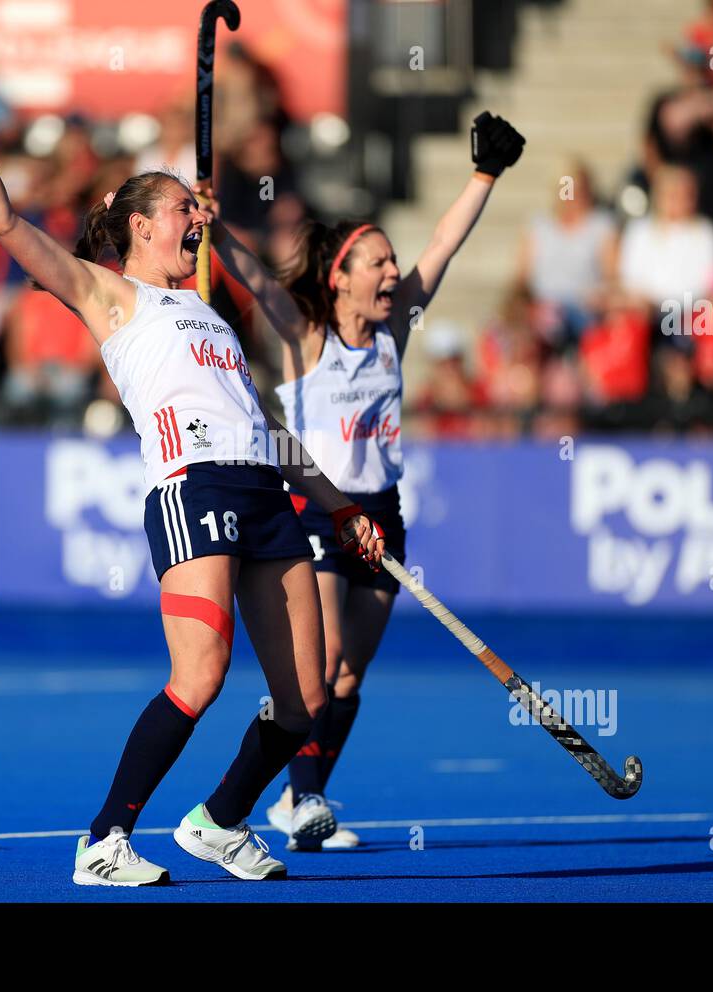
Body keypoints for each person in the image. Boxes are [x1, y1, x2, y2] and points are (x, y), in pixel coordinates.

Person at [0, 64, 386, 885]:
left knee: (305, 703)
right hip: (195, 489)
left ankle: (219, 821)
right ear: (141, 227)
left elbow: (268, 428)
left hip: (264, 491)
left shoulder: (208, 313)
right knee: (201, 676)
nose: (197, 220)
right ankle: (104, 840)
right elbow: (3, 222)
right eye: (183, 209)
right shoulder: (110, 296)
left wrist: (340, 505)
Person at [204, 110, 525, 848]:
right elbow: (255, 279)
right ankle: (304, 796)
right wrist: (218, 233)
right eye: (376, 262)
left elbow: (445, 242)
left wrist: (485, 175)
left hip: (384, 513)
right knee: (320, 663)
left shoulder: (396, 326)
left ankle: (297, 801)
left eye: (391, 262)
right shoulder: (305, 333)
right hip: (319, 512)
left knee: (350, 677)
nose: (392, 272)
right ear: (337, 276)